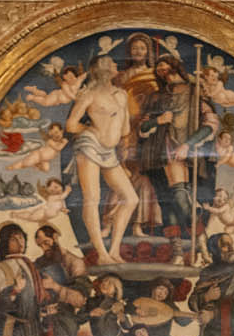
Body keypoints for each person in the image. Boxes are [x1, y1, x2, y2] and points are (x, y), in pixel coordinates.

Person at [63, 55, 140, 262]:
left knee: (131, 199)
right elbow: (71, 125)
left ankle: (114, 250)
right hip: (88, 145)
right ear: (104, 69)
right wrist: (92, 130)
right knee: (92, 199)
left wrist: (120, 136)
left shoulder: (122, 94)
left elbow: (124, 129)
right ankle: (101, 254)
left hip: (109, 151)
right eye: (112, 63)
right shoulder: (89, 94)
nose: (117, 65)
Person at [136, 55, 198, 235]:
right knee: (164, 201)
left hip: (178, 146)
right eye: (162, 72)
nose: (167, 76)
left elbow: (208, 122)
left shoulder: (193, 92)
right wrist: (159, 120)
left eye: (169, 71)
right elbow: (143, 126)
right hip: (155, 152)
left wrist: (189, 143)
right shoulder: (155, 97)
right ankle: (176, 249)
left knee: (180, 196)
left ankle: (197, 234)